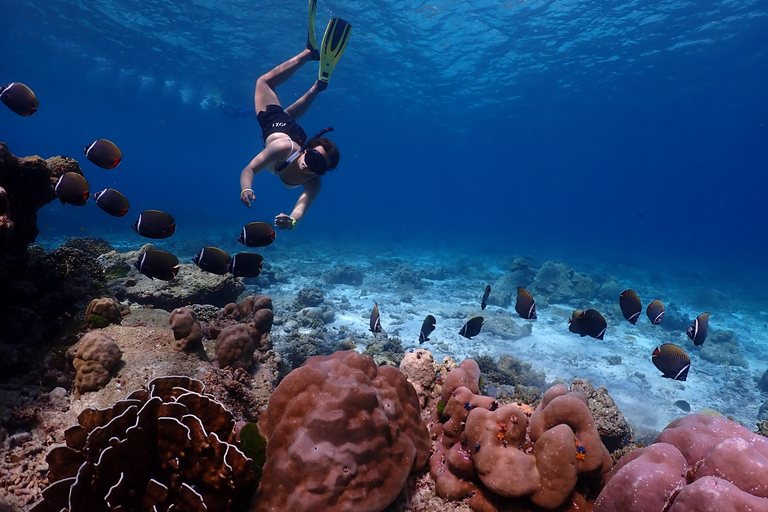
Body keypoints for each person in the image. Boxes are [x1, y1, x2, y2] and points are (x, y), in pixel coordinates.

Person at [239, 2, 351, 230]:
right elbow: (249, 169)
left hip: (292, 131)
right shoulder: (282, 150)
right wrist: (246, 187)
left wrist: (292, 220)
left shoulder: (314, 181)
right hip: (279, 131)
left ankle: (318, 87)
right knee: (264, 82)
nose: (310, 168)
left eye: (319, 167)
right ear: (307, 150)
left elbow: (301, 207)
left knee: (287, 114)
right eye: (312, 160)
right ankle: (308, 54)